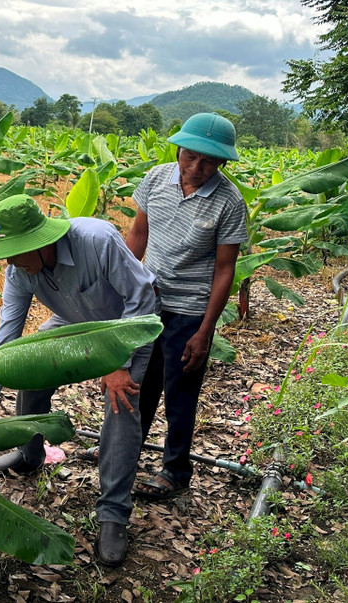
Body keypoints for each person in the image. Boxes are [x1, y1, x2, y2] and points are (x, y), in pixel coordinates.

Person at [0, 194, 157, 567]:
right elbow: (6, 339)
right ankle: (30, 452)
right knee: (30, 368)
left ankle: (113, 513)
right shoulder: (20, 271)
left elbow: (142, 298)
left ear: (42, 242)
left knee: (121, 404)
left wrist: (117, 361)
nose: (9, 260)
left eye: (16, 251)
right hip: (72, 321)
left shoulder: (97, 241)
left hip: (127, 323)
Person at [127, 112, 248, 499]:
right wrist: (123, 290)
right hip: (149, 299)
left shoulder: (229, 201)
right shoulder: (156, 178)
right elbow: (138, 234)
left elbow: (225, 269)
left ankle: (176, 471)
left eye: (210, 161)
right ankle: (127, 450)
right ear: (178, 149)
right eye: (190, 156)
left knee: (180, 391)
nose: (197, 167)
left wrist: (205, 330)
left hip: (192, 309)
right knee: (138, 382)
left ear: (223, 162)